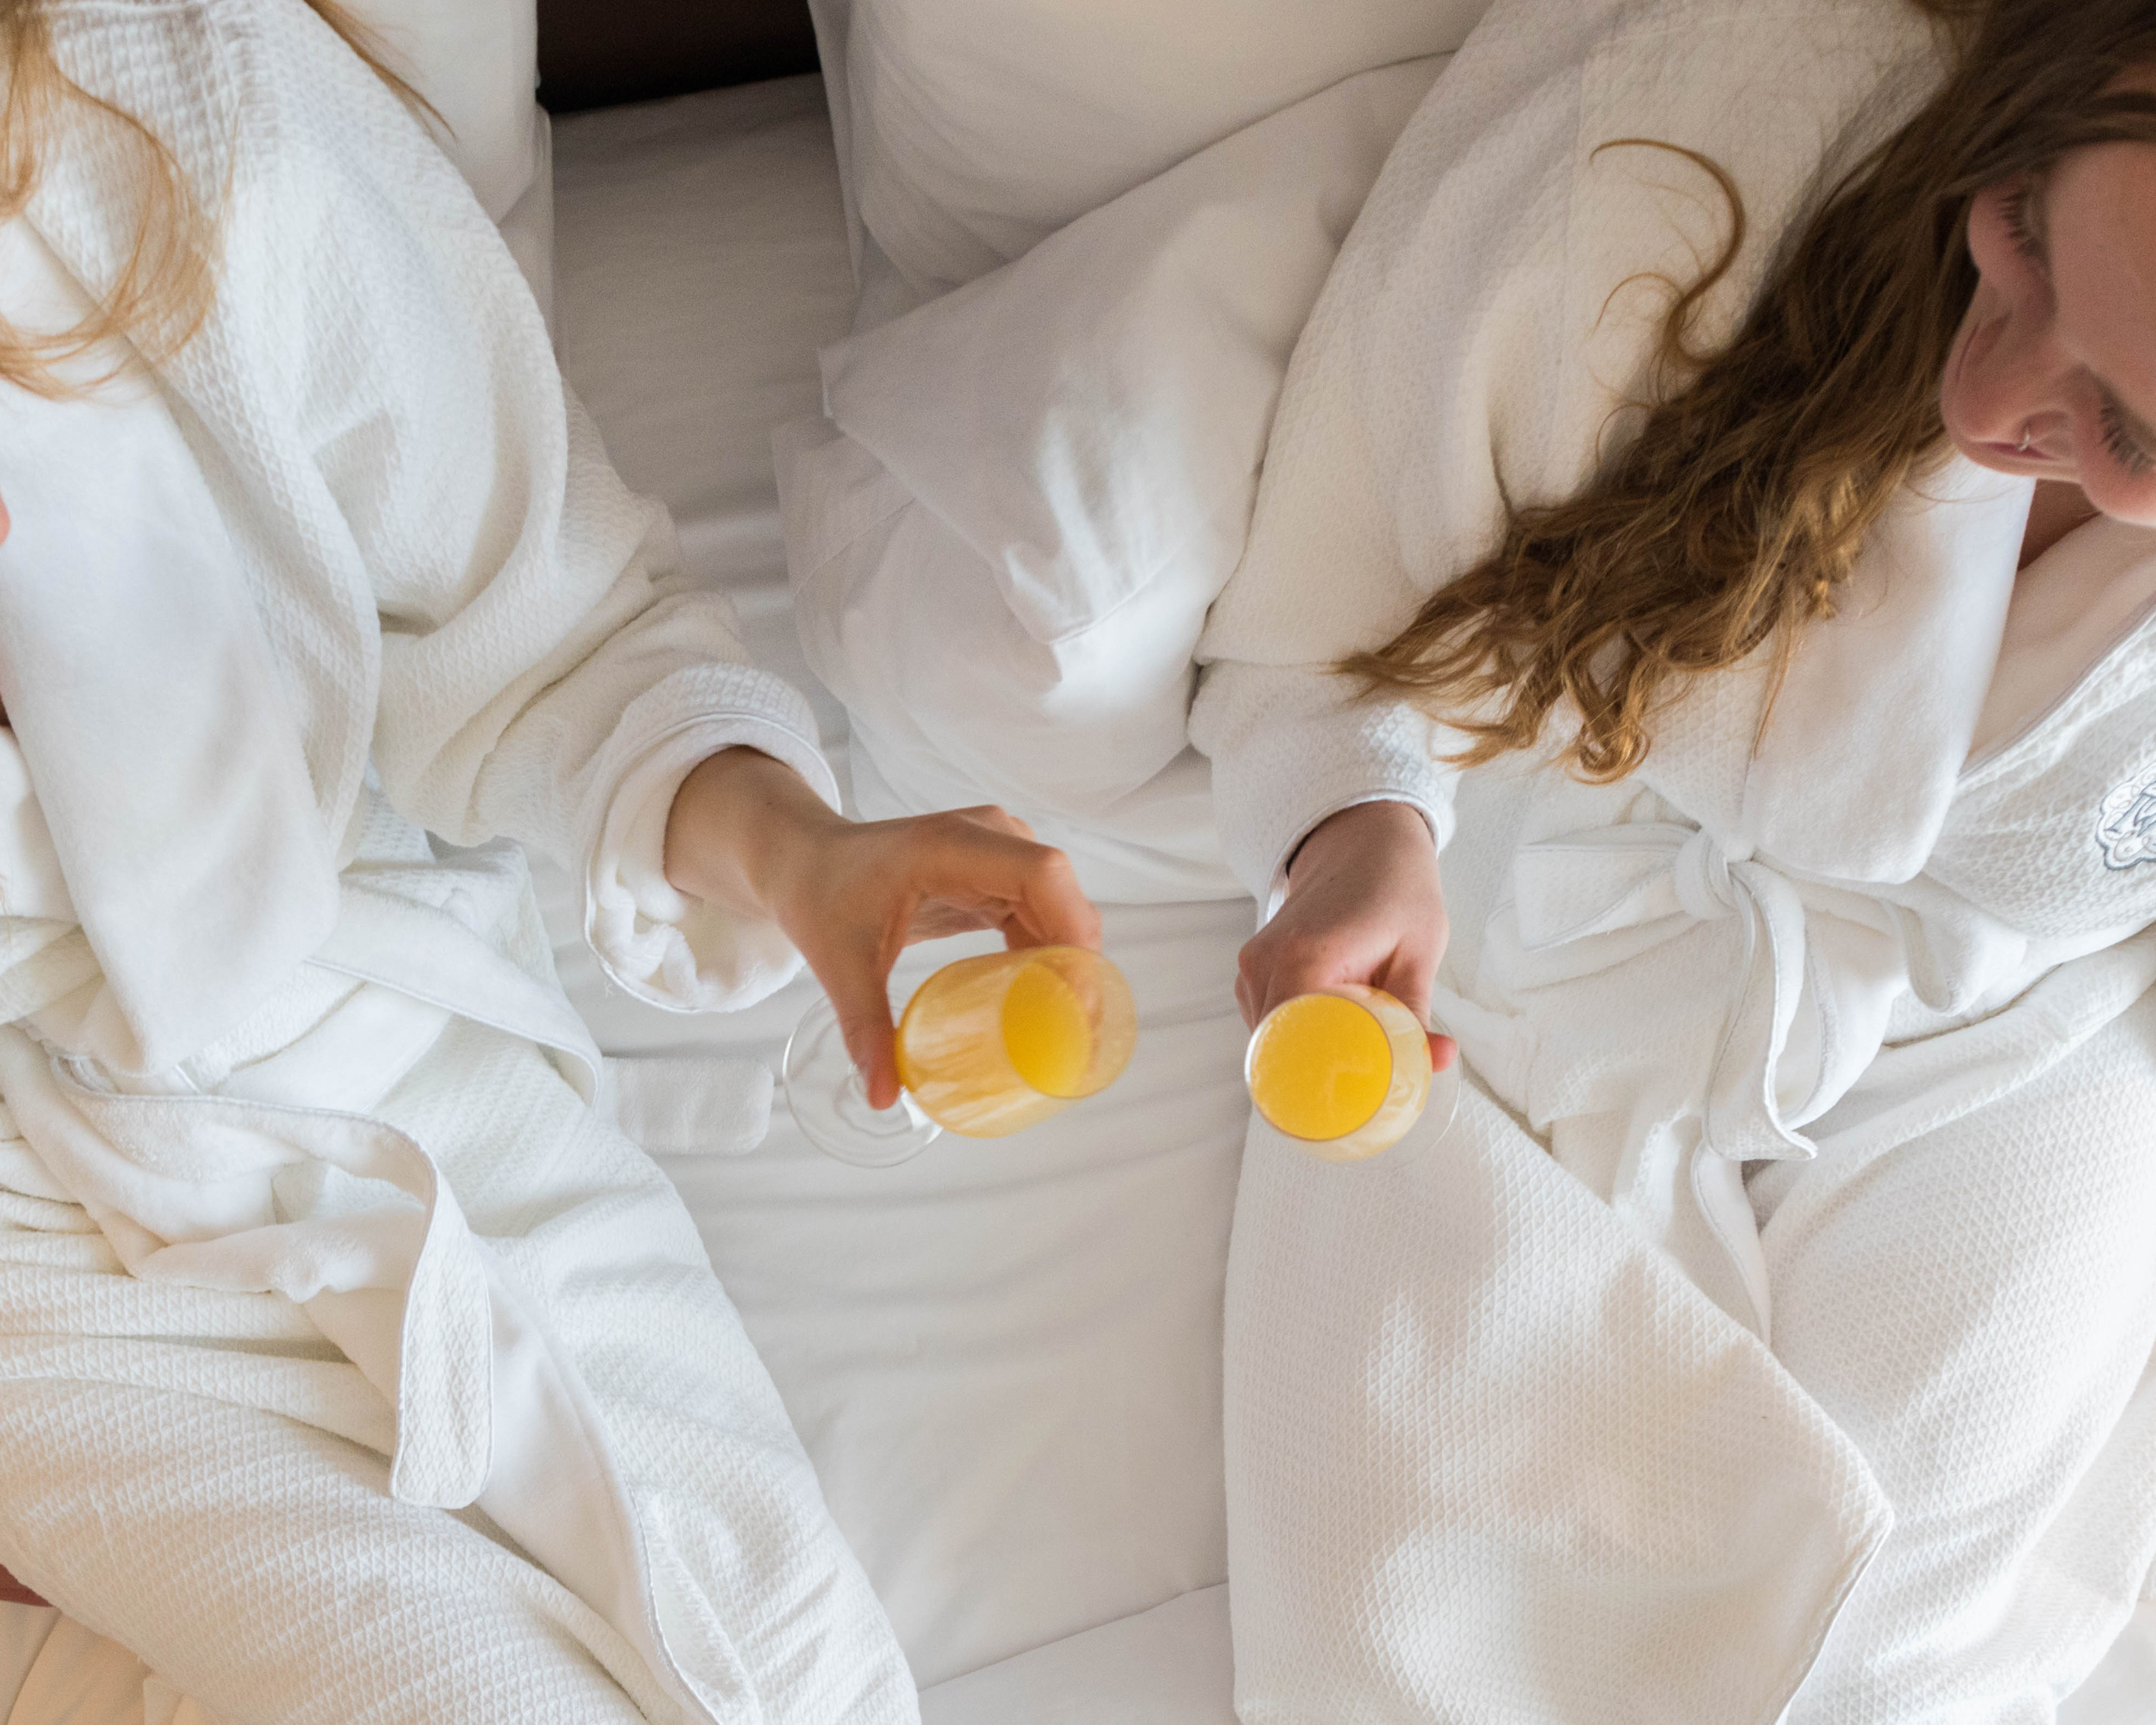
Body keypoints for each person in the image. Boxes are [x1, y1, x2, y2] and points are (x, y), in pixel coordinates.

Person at [0, 1, 1096, 1719]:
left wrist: (799, 855)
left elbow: (536, 626)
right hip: (27, 1259)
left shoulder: (165, 90)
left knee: (797, 1686)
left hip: (371, 1041)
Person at [1193, 0, 2156, 1716]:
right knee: (1434, 1592)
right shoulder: (1676, 165)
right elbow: (1339, 593)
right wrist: (1355, 830)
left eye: (2131, 433)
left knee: (1910, 1653)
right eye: (2018, 232)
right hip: (1566, 908)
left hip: (2025, 1011)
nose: (1987, 391)